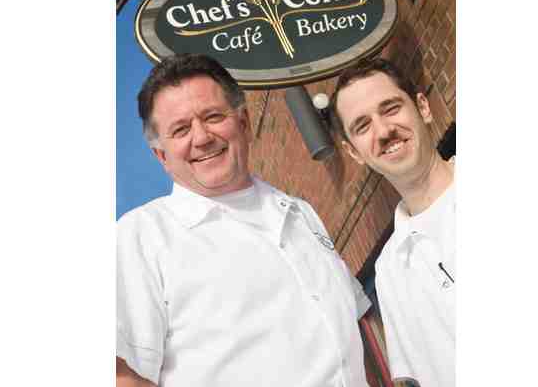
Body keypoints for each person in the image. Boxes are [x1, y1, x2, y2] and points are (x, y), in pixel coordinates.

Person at [117, 53, 371, 387]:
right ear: (161, 155)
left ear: (244, 122)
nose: (202, 137)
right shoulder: (141, 236)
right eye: (180, 129)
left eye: (212, 116)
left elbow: (353, 333)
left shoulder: (300, 213)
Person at [330, 57, 455, 387]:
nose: (384, 131)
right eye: (363, 126)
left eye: (391, 108)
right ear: (354, 152)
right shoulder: (389, 272)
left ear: (423, 107)